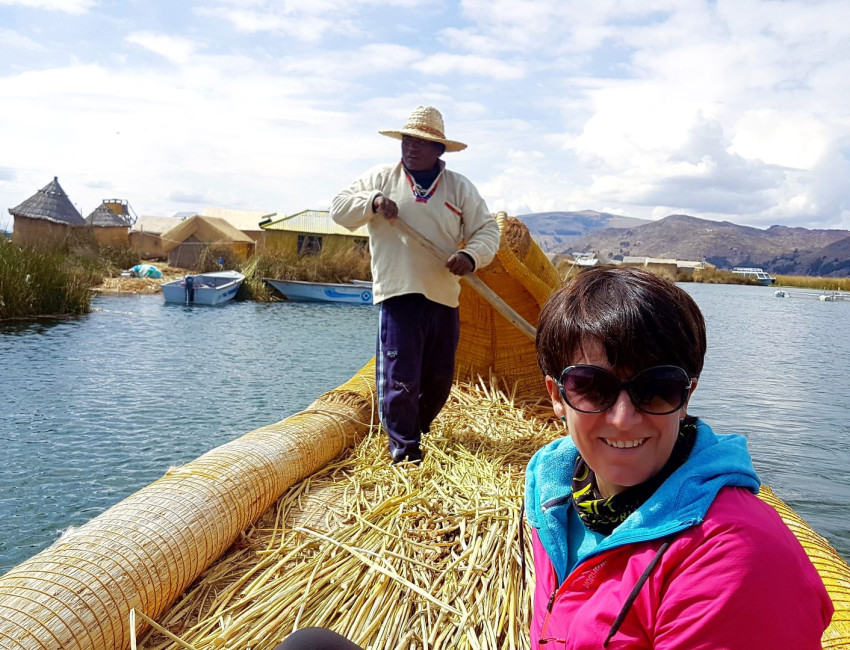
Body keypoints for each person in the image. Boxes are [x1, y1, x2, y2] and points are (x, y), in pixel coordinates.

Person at [525, 266, 833, 649]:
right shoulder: (553, 501)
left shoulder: (734, 557)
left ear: (687, 396)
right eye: (591, 386)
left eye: (656, 388)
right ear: (557, 395)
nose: (623, 419)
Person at [331, 106, 500, 464]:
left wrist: (470, 256)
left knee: (439, 380)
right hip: (399, 294)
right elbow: (340, 208)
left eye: (421, 143)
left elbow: (487, 230)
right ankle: (405, 451)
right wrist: (373, 202)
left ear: (439, 150)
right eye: (408, 140)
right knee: (401, 379)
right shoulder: (380, 178)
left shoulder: (459, 188)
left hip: (443, 296)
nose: (411, 147)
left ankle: (418, 428)